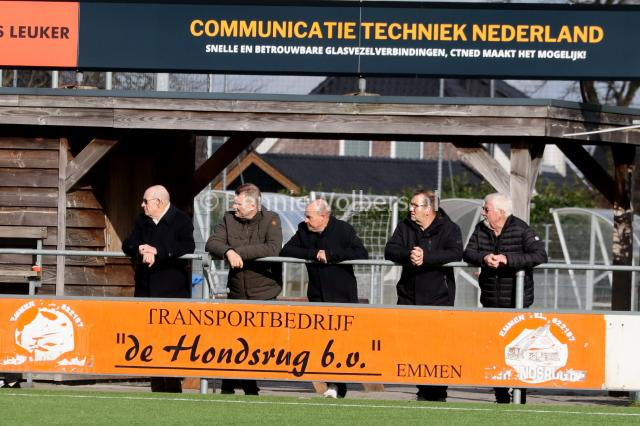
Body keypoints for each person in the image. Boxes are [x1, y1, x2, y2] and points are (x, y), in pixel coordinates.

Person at [463, 192, 548, 404]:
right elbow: (468, 253)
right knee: (495, 348)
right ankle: (500, 394)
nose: (483, 213)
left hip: (517, 301)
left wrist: (507, 259)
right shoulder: (481, 229)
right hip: (491, 300)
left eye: (486, 209)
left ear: (500, 212)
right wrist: (485, 258)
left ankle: (520, 394)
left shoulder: (521, 229)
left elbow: (540, 255)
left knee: (520, 349)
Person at [280, 199, 368, 399]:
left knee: (342, 342)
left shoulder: (343, 230)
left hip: (343, 297)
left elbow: (361, 253)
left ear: (323, 217)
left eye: (309, 216)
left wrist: (331, 255)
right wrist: (314, 254)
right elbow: (286, 250)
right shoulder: (303, 230)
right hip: (317, 296)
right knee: (322, 341)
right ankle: (332, 383)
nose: (305, 220)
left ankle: (339, 383)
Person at [384, 189, 462, 402]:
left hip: (439, 298)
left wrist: (426, 257)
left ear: (428, 209)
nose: (410, 209)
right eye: (411, 205)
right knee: (412, 345)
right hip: (408, 296)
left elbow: (455, 253)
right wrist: (409, 254)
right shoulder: (405, 226)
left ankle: (438, 391)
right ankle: (422, 388)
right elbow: (390, 250)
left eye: (414, 205)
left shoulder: (449, 228)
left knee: (437, 346)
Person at [206, 183, 282, 396]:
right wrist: (228, 252)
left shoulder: (272, 219)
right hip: (237, 292)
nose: (234, 206)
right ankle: (228, 386)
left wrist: (239, 252)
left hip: (264, 294)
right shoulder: (228, 219)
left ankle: (250, 387)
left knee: (257, 344)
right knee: (232, 342)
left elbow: (273, 248)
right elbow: (212, 243)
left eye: (238, 203)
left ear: (252, 205)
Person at [122, 184, 195, 393]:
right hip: (146, 289)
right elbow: (127, 244)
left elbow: (187, 246)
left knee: (171, 339)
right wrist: (140, 248)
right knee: (149, 338)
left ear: (159, 203)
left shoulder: (181, 219)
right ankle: (156, 384)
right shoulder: (142, 220)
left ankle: (172, 385)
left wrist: (158, 251)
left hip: (172, 291)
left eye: (146, 201)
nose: (142, 205)